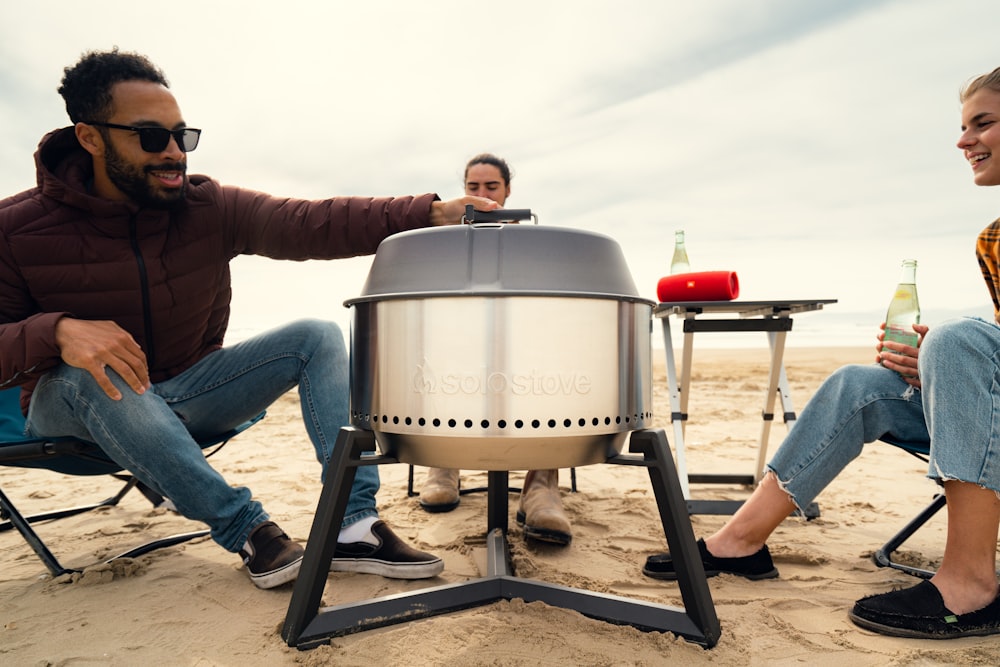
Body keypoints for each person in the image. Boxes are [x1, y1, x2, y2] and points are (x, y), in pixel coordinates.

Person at [0, 48, 499, 590]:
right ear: (91, 138)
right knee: (89, 372)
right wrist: (56, 332)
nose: (173, 153)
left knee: (317, 336)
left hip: (187, 391)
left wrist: (427, 214)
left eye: (181, 137)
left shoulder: (206, 208)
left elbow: (311, 223)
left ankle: (353, 526)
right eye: (151, 137)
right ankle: (248, 529)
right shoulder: (16, 229)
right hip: (71, 407)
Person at [642, 67, 1000, 639]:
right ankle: (741, 542)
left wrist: (957, 353)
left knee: (960, 341)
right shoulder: (993, 239)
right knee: (859, 383)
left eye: (983, 124)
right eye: (963, 127)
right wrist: (940, 368)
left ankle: (972, 585)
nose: (963, 142)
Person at [416, 153, 573, 546]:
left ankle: (541, 484)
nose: (482, 194)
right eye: (473, 187)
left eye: (491, 187)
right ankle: (443, 465)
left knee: (552, 357)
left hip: (523, 341)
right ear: (463, 190)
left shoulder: (533, 241)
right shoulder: (443, 238)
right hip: (462, 341)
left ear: (507, 191)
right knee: (440, 354)